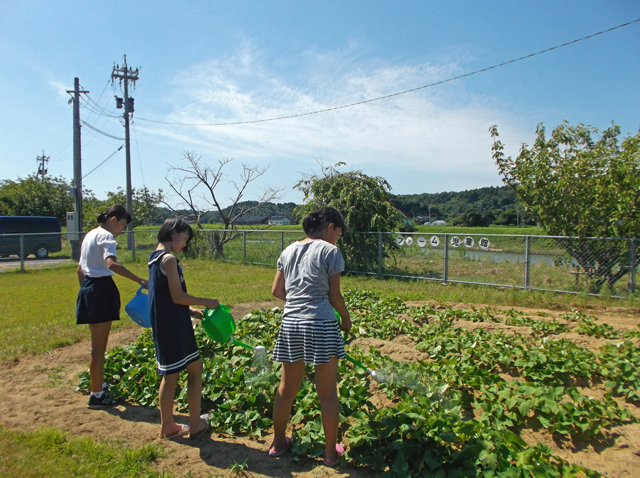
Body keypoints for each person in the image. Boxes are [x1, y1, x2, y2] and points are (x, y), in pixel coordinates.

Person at [269, 207, 352, 467]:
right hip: (322, 324)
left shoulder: (288, 250)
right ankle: (329, 454)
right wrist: (346, 319)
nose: (337, 237)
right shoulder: (330, 251)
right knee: (326, 392)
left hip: (291, 323)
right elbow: (334, 295)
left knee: (286, 390)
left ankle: (279, 443)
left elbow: (276, 290)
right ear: (330, 227)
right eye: (337, 232)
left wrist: (298, 302)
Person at [148, 216, 219, 440]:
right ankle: (196, 423)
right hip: (174, 327)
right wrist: (206, 302)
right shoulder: (169, 260)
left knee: (170, 376)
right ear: (173, 233)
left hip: (164, 323)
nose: (185, 244)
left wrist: (191, 312)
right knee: (194, 370)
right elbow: (177, 296)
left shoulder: (153, 258)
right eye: (185, 238)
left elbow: (164, 297)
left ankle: (168, 425)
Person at [76, 205, 148, 409]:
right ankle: (97, 395)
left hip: (89, 287)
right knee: (98, 347)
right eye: (122, 225)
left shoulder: (90, 235)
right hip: (101, 288)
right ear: (113, 219)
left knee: (97, 345)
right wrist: (140, 280)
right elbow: (111, 264)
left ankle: (98, 385)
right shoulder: (107, 237)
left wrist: (85, 291)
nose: (121, 230)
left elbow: (80, 269)